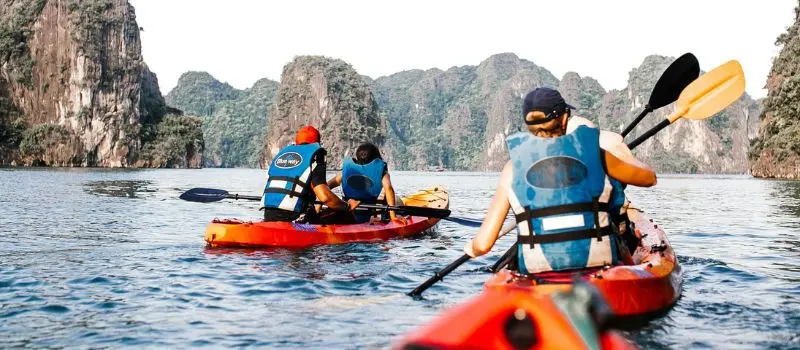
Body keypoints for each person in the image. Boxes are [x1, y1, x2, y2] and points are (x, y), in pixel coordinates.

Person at [464, 87, 657, 274]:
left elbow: (482, 245)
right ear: (565, 117)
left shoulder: (512, 168)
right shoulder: (597, 155)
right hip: (600, 266)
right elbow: (649, 179)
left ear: (529, 126)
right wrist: (623, 154)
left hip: (537, 271)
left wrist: (472, 248)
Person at [261, 125, 357, 222]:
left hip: (268, 216)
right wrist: (347, 206)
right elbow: (325, 197)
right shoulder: (315, 155)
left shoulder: (282, 154)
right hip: (296, 219)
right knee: (344, 213)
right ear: (317, 142)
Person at [327, 143, 407, 224]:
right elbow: (389, 189)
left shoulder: (344, 172)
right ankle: (386, 217)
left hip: (347, 213)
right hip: (366, 215)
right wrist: (393, 216)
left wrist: (319, 204)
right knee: (393, 201)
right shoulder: (382, 173)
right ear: (376, 157)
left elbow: (327, 186)